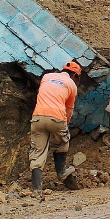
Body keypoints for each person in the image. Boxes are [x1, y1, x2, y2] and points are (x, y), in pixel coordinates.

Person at [29, 61, 83, 192]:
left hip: (37, 117)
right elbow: (69, 110)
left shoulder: (46, 77)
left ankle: (37, 188)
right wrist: (65, 126)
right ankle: (61, 172)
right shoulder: (72, 85)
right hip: (57, 118)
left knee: (37, 152)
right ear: (75, 76)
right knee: (62, 143)